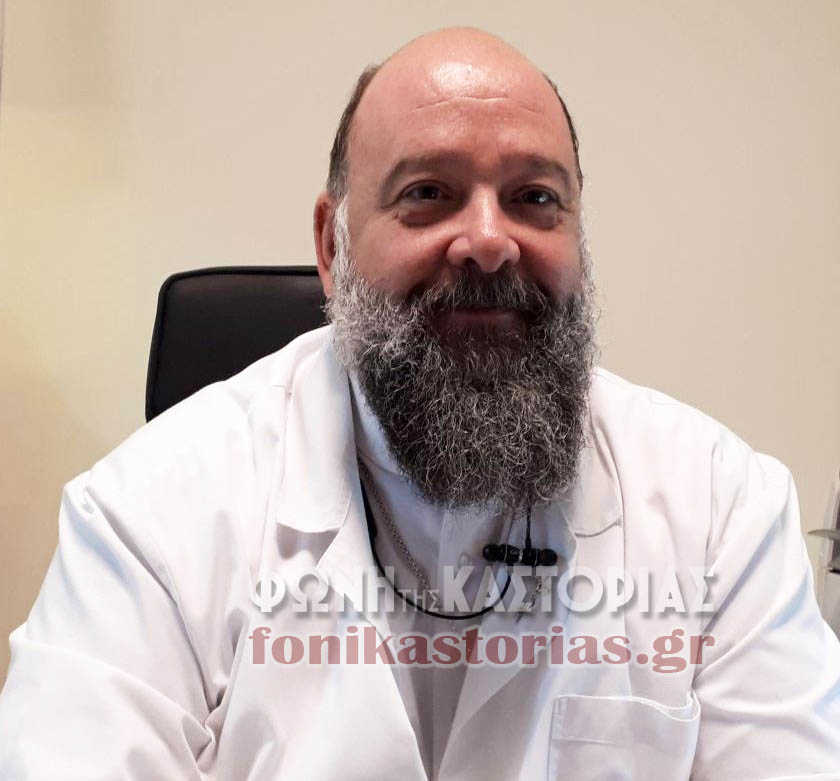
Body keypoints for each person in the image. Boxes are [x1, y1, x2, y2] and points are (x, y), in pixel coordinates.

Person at [1, 26, 838, 780]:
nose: (489, 240)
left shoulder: (724, 509)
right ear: (332, 248)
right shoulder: (144, 516)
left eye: (535, 198)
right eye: (428, 193)